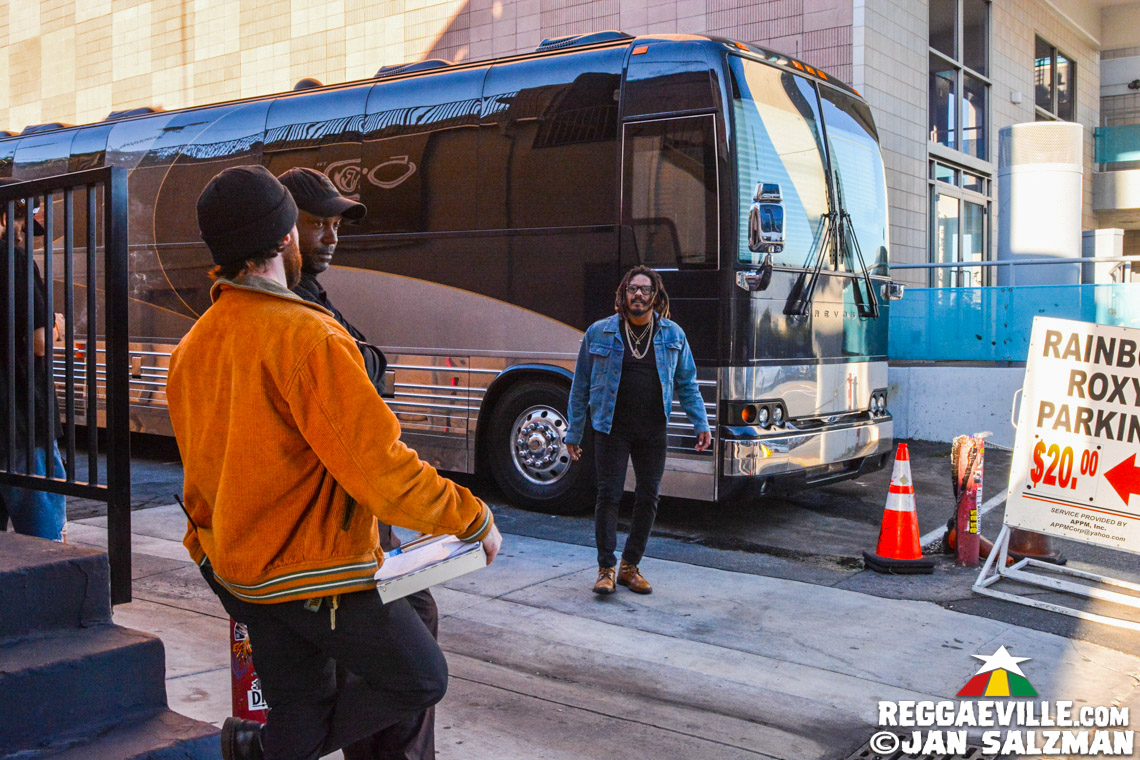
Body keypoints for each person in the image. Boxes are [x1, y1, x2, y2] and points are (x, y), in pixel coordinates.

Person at [166, 165, 502, 760]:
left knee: (302, 714)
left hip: (244, 576)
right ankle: (253, 748)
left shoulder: (192, 349)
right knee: (421, 677)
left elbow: (199, 479)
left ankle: (260, 748)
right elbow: (380, 470)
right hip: (318, 578)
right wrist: (471, 517)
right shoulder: (308, 336)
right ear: (286, 236)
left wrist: (211, 554)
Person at [278, 166, 438, 760]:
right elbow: (359, 383)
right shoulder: (287, 308)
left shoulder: (313, 298)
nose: (331, 235)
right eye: (316, 223)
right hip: (328, 526)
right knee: (406, 649)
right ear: (281, 229)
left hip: (356, 514)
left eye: (336, 223)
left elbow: (367, 370)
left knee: (408, 628)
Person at [565, 266, 711, 596]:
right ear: (623, 294)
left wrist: (701, 423)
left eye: (645, 290)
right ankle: (606, 568)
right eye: (633, 289)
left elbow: (687, 383)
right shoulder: (599, 333)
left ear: (655, 297)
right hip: (610, 428)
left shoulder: (673, 335)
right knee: (608, 495)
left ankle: (630, 565)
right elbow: (580, 386)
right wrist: (574, 432)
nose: (639, 295)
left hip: (653, 430)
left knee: (648, 497)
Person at [0, 178, 67, 540]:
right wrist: (56, 325)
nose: (25, 235)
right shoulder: (16, 262)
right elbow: (39, 342)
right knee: (44, 540)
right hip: (21, 420)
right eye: (23, 224)